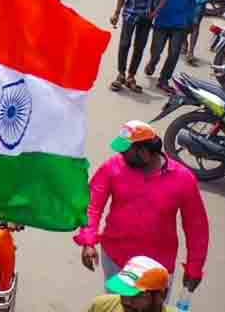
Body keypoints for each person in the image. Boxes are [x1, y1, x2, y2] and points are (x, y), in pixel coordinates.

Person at [75, 121, 208, 297]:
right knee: (120, 304)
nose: (122, 155)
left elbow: (196, 226)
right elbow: (92, 205)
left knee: (152, 307)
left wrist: (194, 267)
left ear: (144, 152)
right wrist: (88, 240)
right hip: (117, 258)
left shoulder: (183, 179)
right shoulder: (113, 167)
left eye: (126, 151)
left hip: (157, 266)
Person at [110, 0, 167, 93]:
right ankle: (121, 74)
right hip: (130, 14)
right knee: (124, 44)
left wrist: (155, 12)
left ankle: (131, 76)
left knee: (139, 47)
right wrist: (116, 13)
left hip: (146, 17)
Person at [142, 0, 194, 94]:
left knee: (174, 54)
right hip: (162, 21)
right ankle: (152, 63)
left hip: (180, 23)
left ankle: (164, 79)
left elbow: (192, 2)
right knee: (156, 51)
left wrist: (190, 21)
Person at [85, 256, 173, 312]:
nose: (126, 301)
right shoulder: (101, 306)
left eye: (137, 295)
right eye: (124, 291)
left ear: (162, 295)